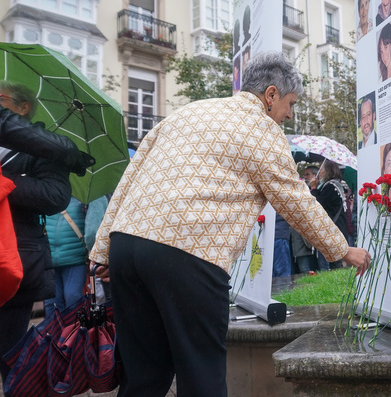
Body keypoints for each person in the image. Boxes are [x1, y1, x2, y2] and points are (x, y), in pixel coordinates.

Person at [88, 52, 371, 397]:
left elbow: (129, 180)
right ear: (270, 95)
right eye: (290, 103)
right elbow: (296, 201)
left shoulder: (186, 113)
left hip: (127, 246)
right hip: (189, 252)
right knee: (201, 371)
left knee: (144, 371)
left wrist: (103, 249)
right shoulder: (262, 130)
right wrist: (343, 250)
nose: (290, 114)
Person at [0, 81, 73, 381]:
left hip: (16, 261)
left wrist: (5, 182)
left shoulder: (47, 147)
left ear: (23, 108)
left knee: (9, 354)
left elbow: (55, 196)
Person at [44, 195, 108, 315]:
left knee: (72, 300)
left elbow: (91, 229)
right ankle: (56, 332)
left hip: (74, 258)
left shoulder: (84, 196)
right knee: (54, 302)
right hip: (50, 257)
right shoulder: (50, 193)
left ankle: (74, 332)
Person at [0, 107, 93, 176]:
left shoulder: (50, 155)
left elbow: (54, 195)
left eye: (2, 98)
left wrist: (6, 178)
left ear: (24, 107)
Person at [310, 159, 350, 270]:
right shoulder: (336, 185)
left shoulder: (330, 186)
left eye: (321, 169)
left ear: (328, 170)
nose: (319, 172)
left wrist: (313, 188)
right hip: (339, 228)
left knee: (332, 266)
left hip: (333, 231)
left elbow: (318, 205)